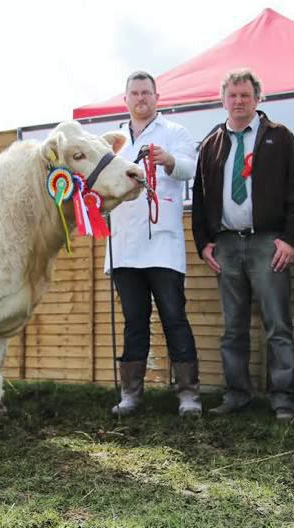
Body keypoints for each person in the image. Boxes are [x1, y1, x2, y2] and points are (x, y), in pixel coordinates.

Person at [192, 69, 294, 421]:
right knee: (233, 328)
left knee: (277, 325)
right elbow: (200, 197)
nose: (239, 101)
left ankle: (283, 399)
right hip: (226, 245)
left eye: (245, 95)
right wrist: (203, 243)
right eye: (233, 95)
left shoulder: (279, 136)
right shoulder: (211, 143)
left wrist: (290, 240)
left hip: (268, 243)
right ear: (222, 100)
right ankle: (236, 395)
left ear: (258, 99)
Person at [106, 70, 201, 417]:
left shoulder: (175, 132)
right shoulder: (113, 140)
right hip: (125, 246)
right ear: (126, 99)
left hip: (163, 245)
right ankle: (131, 395)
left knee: (174, 318)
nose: (141, 98)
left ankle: (189, 395)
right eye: (135, 93)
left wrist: (170, 160)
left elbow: (190, 168)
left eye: (146, 92)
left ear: (157, 98)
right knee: (134, 322)